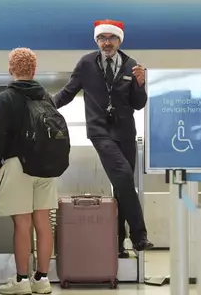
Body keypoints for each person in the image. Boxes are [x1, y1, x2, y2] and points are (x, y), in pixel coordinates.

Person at [53, 19, 153, 254]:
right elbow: (68, 93)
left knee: (121, 186)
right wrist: (44, 106)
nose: (106, 42)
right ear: (96, 40)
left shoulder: (132, 65)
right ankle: (139, 235)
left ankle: (118, 243)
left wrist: (141, 84)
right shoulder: (87, 63)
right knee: (124, 175)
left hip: (126, 132)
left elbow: (139, 105)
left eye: (111, 38)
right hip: (100, 131)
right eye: (102, 38)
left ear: (119, 40)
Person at [0, 48, 60, 295]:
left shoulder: (5, 98)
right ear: (34, 70)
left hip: (17, 165)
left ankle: (21, 280)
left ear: (11, 69)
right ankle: (42, 278)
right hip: (46, 167)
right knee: (43, 224)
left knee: (22, 225)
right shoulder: (47, 97)